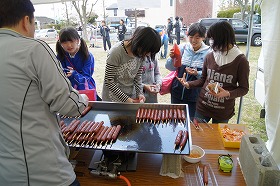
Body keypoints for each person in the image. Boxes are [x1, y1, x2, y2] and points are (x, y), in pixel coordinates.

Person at [0, 0, 88, 185]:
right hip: (43, 171)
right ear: (26, 21)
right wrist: (84, 98)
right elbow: (69, 105)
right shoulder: (33, 49)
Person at [177, 21, 250, 123]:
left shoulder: (240, 60)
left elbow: (244, 88)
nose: (210, 42)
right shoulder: (210, 55)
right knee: (198, 136)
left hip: (222, 111)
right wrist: (188, 84)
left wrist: (227, 93)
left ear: (223, 39)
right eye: (210, 38)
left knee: (216, 138)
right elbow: (203, 79)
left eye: (213, 39)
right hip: (203, 107)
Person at [102, 26, 161, 103]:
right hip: (112, 99)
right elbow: (109, 81)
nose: (148, 54)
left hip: (130, 96)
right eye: (148, 51)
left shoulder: (141, 54)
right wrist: (127, 99)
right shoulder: (116, 52)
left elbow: (137, 76)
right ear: (140, 43)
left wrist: (140, 93)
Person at [165, 23, 210, 120]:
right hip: (177, 91)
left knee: (190, 122)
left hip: (194, 96)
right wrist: (171, 58)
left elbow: (209, 76)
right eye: (191, 36)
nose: (193, 40)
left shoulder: (208, 53)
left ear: (203, 37)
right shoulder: (182, 48)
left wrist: (197, 73)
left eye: (197, 37)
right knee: (174, 120)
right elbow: (170, 67)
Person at [56, 27, 100, 100]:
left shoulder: (87, 56)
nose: (69, 45)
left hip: (85, 90)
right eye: (65, 42)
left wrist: (74, 74)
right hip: (68, 92)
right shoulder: (60, 56)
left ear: (77, 40)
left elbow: (87, 77)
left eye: (71, 41)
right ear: (60, 43)